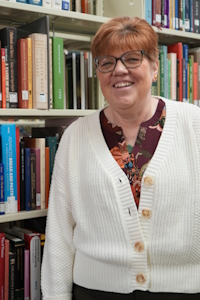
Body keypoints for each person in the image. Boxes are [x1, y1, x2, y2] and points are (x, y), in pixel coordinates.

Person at [41, 16, 200, 300]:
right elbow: (59, 234)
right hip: (94, 292)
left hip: (184, 290)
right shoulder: (75, 136)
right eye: (107, 62)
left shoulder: (195, 125)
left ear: (154, 68)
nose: (119, 70)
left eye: (132, 59)